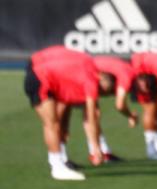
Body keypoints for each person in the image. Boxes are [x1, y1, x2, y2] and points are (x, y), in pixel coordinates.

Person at [25, 47, 108, 180]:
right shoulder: (91, 82)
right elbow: (90, 119)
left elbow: (67, 103)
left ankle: (61, 160)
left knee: (57, 123)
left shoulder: (86, 67)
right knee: (51, 125)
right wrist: (96, 148)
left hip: (42, 72)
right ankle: (57, 167)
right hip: (40, 79)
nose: (98, 96)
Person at [93, 55, 138, 161]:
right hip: (81, 71)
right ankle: (98, 152)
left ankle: (101, 152)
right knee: (93, 114)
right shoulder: (126, 75)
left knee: (94, 114)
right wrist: (131, 116)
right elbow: (120, 105)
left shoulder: (124, 74)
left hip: (94, 68)